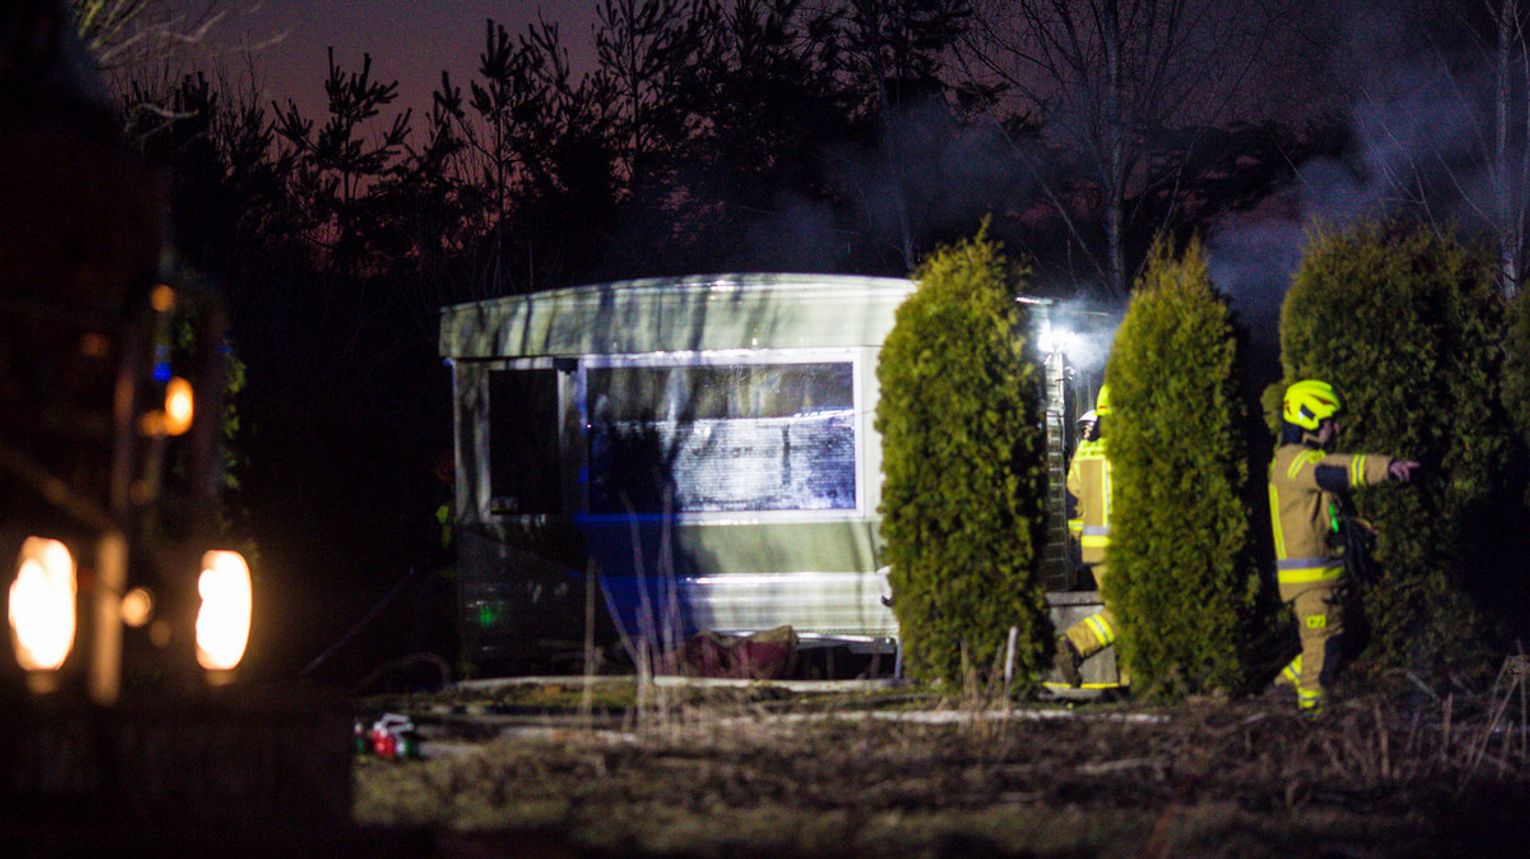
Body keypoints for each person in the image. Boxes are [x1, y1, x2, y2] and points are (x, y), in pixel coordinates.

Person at [1268, 380, 1419, 715]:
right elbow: (1334, 471)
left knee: (1326, 646)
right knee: (1321, 657)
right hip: (1311, 584)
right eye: (1329, 421)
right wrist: (1386, 468)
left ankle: (1279, 694)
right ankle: (1311, 723)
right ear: (1307, 420)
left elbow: (1325, 516)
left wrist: (1357, 531)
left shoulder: (1301, 462)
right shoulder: (1293, 462)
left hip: (1323, 580)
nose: (1336, 428)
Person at [1055, 387, 1116, 687]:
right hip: (1121, 546)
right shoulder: (1128, 447)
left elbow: (1071, 499)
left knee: (1124, 610)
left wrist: (1078, 539)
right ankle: (1074, 645)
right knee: (1130, 611)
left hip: (1094, 549)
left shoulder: (1086, 450)